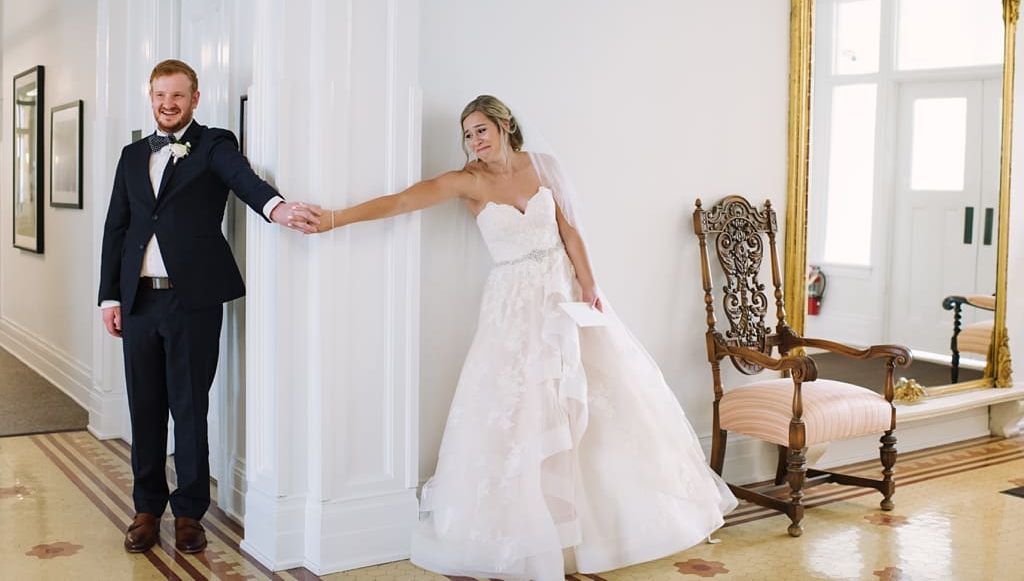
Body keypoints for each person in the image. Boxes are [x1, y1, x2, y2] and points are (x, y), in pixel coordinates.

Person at [316, 94, 737, 580]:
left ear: (504, 125)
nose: (475, 141)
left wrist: (590, 284)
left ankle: (604, 528)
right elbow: (404, 200)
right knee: (519, 409)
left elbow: (570, 231)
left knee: (589, 400)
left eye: (481, 129)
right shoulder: (466, 182)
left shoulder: (545, 167)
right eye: (468, 134)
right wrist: (334, 218)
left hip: (564, 294)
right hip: (511, 305)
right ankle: (529, 532)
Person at [98, 59, 321, 555]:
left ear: (195, 99)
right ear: (150, 97)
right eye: (160, 95)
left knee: (190, 405)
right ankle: (147, 508)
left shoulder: (215, 144)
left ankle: (189, 513)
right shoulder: (133, 155)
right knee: (145, 407)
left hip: (191, 300)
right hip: (137, 302)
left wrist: (277, 207)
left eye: (178, 95)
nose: (168, 104)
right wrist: (110, 296)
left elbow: (244, 181)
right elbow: (117, 227)